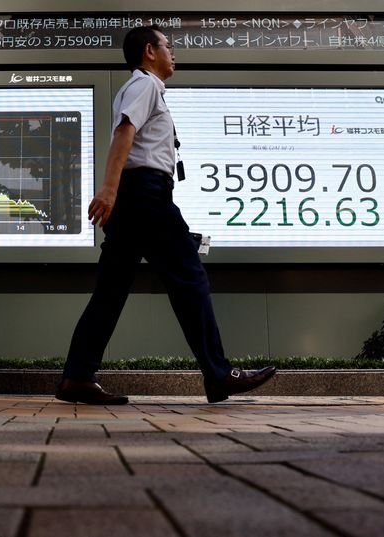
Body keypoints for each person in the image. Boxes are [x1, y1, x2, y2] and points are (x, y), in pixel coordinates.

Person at [56, 25, 277, 405]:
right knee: (190, 279)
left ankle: (77, 377)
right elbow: (124, 132)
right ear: (149, 51)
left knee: (110, 291)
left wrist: (115, 193)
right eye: (169, 47)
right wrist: (109, 189)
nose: (175, 54)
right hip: (146, 195)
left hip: (135, 197)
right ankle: (219, 374)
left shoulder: (139, 86)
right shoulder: (146, 84)